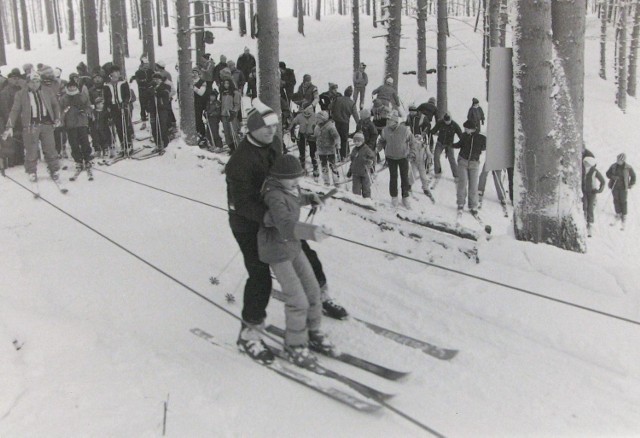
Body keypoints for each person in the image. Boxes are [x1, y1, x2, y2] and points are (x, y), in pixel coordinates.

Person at [258, 154, 336, 367]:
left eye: (298, 177)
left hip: (293, 246)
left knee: (313, 291)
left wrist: (310, 198)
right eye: (292, 178)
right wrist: (313, 232)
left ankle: (313, 331)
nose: (296, 182)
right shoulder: (273, 194)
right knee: (298, 300)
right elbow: (284, 224)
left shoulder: (290, 188)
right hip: (276, 250)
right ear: (279, 177)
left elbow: (295, 199)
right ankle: (295, 344)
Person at [2, 72, 62, 182]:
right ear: (27, 82)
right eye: (32, 82)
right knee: (31, 150)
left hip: (46, 124)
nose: (35, 84)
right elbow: (14, 110)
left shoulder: (47, 91)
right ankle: (31, 171)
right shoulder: (21, 94)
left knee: (50, 148)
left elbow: (55, 105)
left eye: (37, 81)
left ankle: (54, 169)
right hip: (30, 126)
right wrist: (9, 126)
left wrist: (57, 118)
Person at [376, 110, 416, 209]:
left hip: (403, 157)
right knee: (393, 177)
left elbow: (412, 142)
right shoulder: (385, 130)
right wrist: (378, 148)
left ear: (395, 121)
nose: (388, 123)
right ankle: (394, 197)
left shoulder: (405, 130)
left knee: (404, 178)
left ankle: (405, 197)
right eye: (388, 121)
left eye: (390, 121)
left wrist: (412, 153)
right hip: (391, 157)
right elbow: (381, 141)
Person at [60, 80, 94, 179]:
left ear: (76, 87)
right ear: (67, 88)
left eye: (73, 87)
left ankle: (87, 158)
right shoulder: (64, 98)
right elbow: (60, 110)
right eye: (69, 87)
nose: (71, 88)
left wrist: (86, 111)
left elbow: (89, 106)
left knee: (85, 142)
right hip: (70, 125)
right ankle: (78, 160)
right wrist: (62, 118)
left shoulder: (82, 96)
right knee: (74, 144)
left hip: (82, 123)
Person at [453, 120, 486, 215]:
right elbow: (459, 144)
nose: (465, 130)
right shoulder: (464, 136)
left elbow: (486, 146)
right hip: (463, 161)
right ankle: (460, 203)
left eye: (466, 128)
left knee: (473, 185)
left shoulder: (481, 138)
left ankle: (473, 206)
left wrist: (478, 151)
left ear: (472, 129)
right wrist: (451, 145)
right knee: (462, 183)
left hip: (474, 164)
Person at [103, 65, 133, 155]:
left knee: (125, 125)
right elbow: (106, 96)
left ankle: (129, 144)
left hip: (123, 106)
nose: (117, 73)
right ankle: (123, 145)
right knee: (119, 127)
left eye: (118, 72)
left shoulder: (123, 82)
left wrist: (126, 102)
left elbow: (128, 94)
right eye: (115, 72)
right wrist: (107, 105)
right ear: (111, 74)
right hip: (113, 107)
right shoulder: (107, 84)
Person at [0, 69, 25, 168]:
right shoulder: (5, 92)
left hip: (20, 118)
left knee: (20, 137)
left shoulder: (21, 90)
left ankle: (20, 158)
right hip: (11, 118)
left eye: (18, 78)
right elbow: (5, 108)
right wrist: (9, 121)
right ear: (9, 79)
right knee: (11, 139)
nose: (16, 80)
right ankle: (12, 159)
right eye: (14, 78)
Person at [606, 153, 635, 230]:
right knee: (616, 200)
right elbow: (607, 174)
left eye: (619, 160)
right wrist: (613, 177)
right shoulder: (613, 166)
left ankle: (624, 214)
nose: (618, 161)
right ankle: (618, 213)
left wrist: (631, 184)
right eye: (617, 159)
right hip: (614, 186)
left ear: (623, 160)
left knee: (623, 201)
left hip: (623, 187)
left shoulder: (628, 167)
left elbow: (633, 176)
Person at [330, 86, 360, 160]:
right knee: (344, 139)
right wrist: (359, 124)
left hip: (336, 121)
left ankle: (336, 153)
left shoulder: (337, 99)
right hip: (345, 123)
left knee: (336, 137)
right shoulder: (352, 103)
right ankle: (343, 155)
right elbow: (355, 115)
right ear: (350, 94)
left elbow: (330, 107)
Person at [145, 72, 172, 153]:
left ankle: (165, 144)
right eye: (154, 79)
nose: (156, 80)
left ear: (161, 80)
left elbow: (165, 94)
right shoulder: (151, 87)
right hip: (153, 109)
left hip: (162, 109)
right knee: (154, 127)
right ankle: (158, 144)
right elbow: (147, 95)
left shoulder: (166, 86)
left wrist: (156, 92)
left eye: (158, 79)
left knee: (162, 126)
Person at [430, 113, 462, 180]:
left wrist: (462, 142)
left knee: (451, 159)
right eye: (445, 121)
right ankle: (437, 172)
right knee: (436, 156)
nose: (447, 122)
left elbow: (461, 135)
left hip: (449, 144)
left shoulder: (454, 125)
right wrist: (430, 131)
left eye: (448, 121)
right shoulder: (440, 123)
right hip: (440, 143)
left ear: (451, 119)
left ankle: (456, 175)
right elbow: (433, 130)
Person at [313, 110, 341, 186]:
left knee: (332, 165)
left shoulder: (330, 126)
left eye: (318, 118)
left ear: (323, 119)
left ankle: (336, 180)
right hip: (321, 150)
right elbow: (315, 136)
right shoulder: (317, 127)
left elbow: (336, 136)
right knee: (323, 166)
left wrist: (337, 143)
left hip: (330, 150)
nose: (317, 120)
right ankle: (326, 181)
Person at [289, 104, 318, 176]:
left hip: (312, 135)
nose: (309, 111)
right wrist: (292, 135)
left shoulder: (315, 116)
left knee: (313, 152)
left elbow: (321, 125)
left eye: (310, 109)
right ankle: (302, 167)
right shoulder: (299, 116)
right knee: (302, 153)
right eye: (307, 109)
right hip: (302, 135)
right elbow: (292, 125)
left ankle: (315, 168)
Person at [582, 156, 605, 237]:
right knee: (584, 206)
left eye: (587, 163)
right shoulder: (582, 170)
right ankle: (583, 221)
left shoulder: (594, 171)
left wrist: (599, 190)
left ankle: (589, 224)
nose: (585, 164)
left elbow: (603, 181)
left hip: (592, 192)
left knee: (590, 207)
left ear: (591, 164)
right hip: (584, 192)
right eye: (584, 162)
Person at [347, 132, 375, 198]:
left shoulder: (367, 149)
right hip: (356, 173)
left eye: (358, 141)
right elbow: (353, 161)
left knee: (366, 188)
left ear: (362, 141)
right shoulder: (354, 150)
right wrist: (350, 171)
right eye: (355, 141)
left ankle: (367, 200)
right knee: (356, 189)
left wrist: (370, 162)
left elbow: (373, 158)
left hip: (364, 172)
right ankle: (357, 200)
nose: (356, 143)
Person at [130, 55, 154, 129]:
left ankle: (152, 121)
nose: (146, 66)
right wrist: (144, 81)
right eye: (145, 65)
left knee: (151, 106)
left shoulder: (150, 71)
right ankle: (144, 122)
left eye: (147, 65)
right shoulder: (138, 72)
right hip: (142, 91)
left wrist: (150, 83)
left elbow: (154, 78)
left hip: (150, 90)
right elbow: (139, 82)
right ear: (142, 64)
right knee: (143, 106)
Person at [220, 78, 241, 153]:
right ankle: (231, 147)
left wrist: (234, 112)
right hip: (224, 114)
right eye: (225, 84)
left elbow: (237, 104)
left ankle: (237, 147)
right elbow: (222, 103)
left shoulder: (235, 93)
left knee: (233, 131)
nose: (226, 85)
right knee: (226, 132)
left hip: (231, 114)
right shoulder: (223, 92)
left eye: (228, 83)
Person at [193, 68, 209, 147]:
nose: (194, 74)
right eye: (193, 72)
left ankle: (202, 134)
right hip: (192, 103)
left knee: (198, 118)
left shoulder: (202, 82)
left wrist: (193, 87)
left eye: (196, 72)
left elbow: (201, 93)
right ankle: (196, 133)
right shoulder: (190, 81)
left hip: (199, 102)